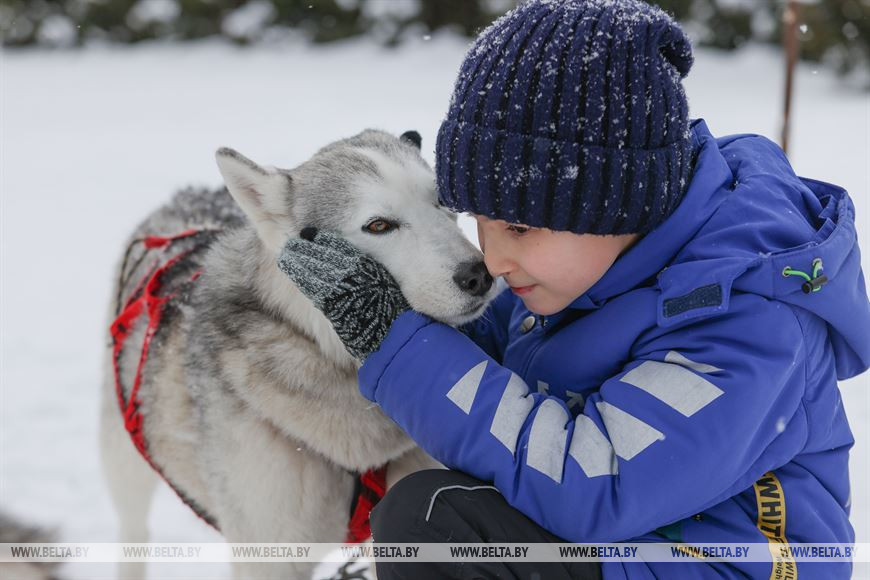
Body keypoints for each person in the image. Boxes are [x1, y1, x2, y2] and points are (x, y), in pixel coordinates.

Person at [278, 0, 870, 577]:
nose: (493, 259)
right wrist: (397, 308)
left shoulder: (746, 319)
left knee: (434, 523)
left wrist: (401, 348)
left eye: (517, 227)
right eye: (478, 221)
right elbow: (493, 366)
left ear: (618, 205)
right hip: (624, 544)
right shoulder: (583, 269)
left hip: (721, 562)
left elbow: (595, 483)